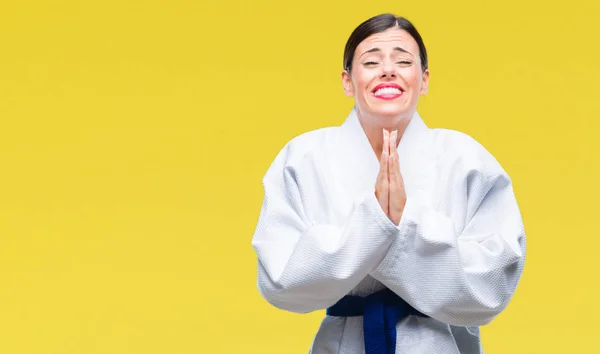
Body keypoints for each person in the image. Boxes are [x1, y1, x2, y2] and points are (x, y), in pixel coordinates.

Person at [251, 13, 526, 354]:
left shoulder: (466, 161)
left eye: (403, 60)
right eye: (370, 61)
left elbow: (493, 283)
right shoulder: (303, 158)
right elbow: (280, 280)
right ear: (348, 80)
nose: (387, 69)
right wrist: (375, 223)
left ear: (423, 79)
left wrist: (407, 225)